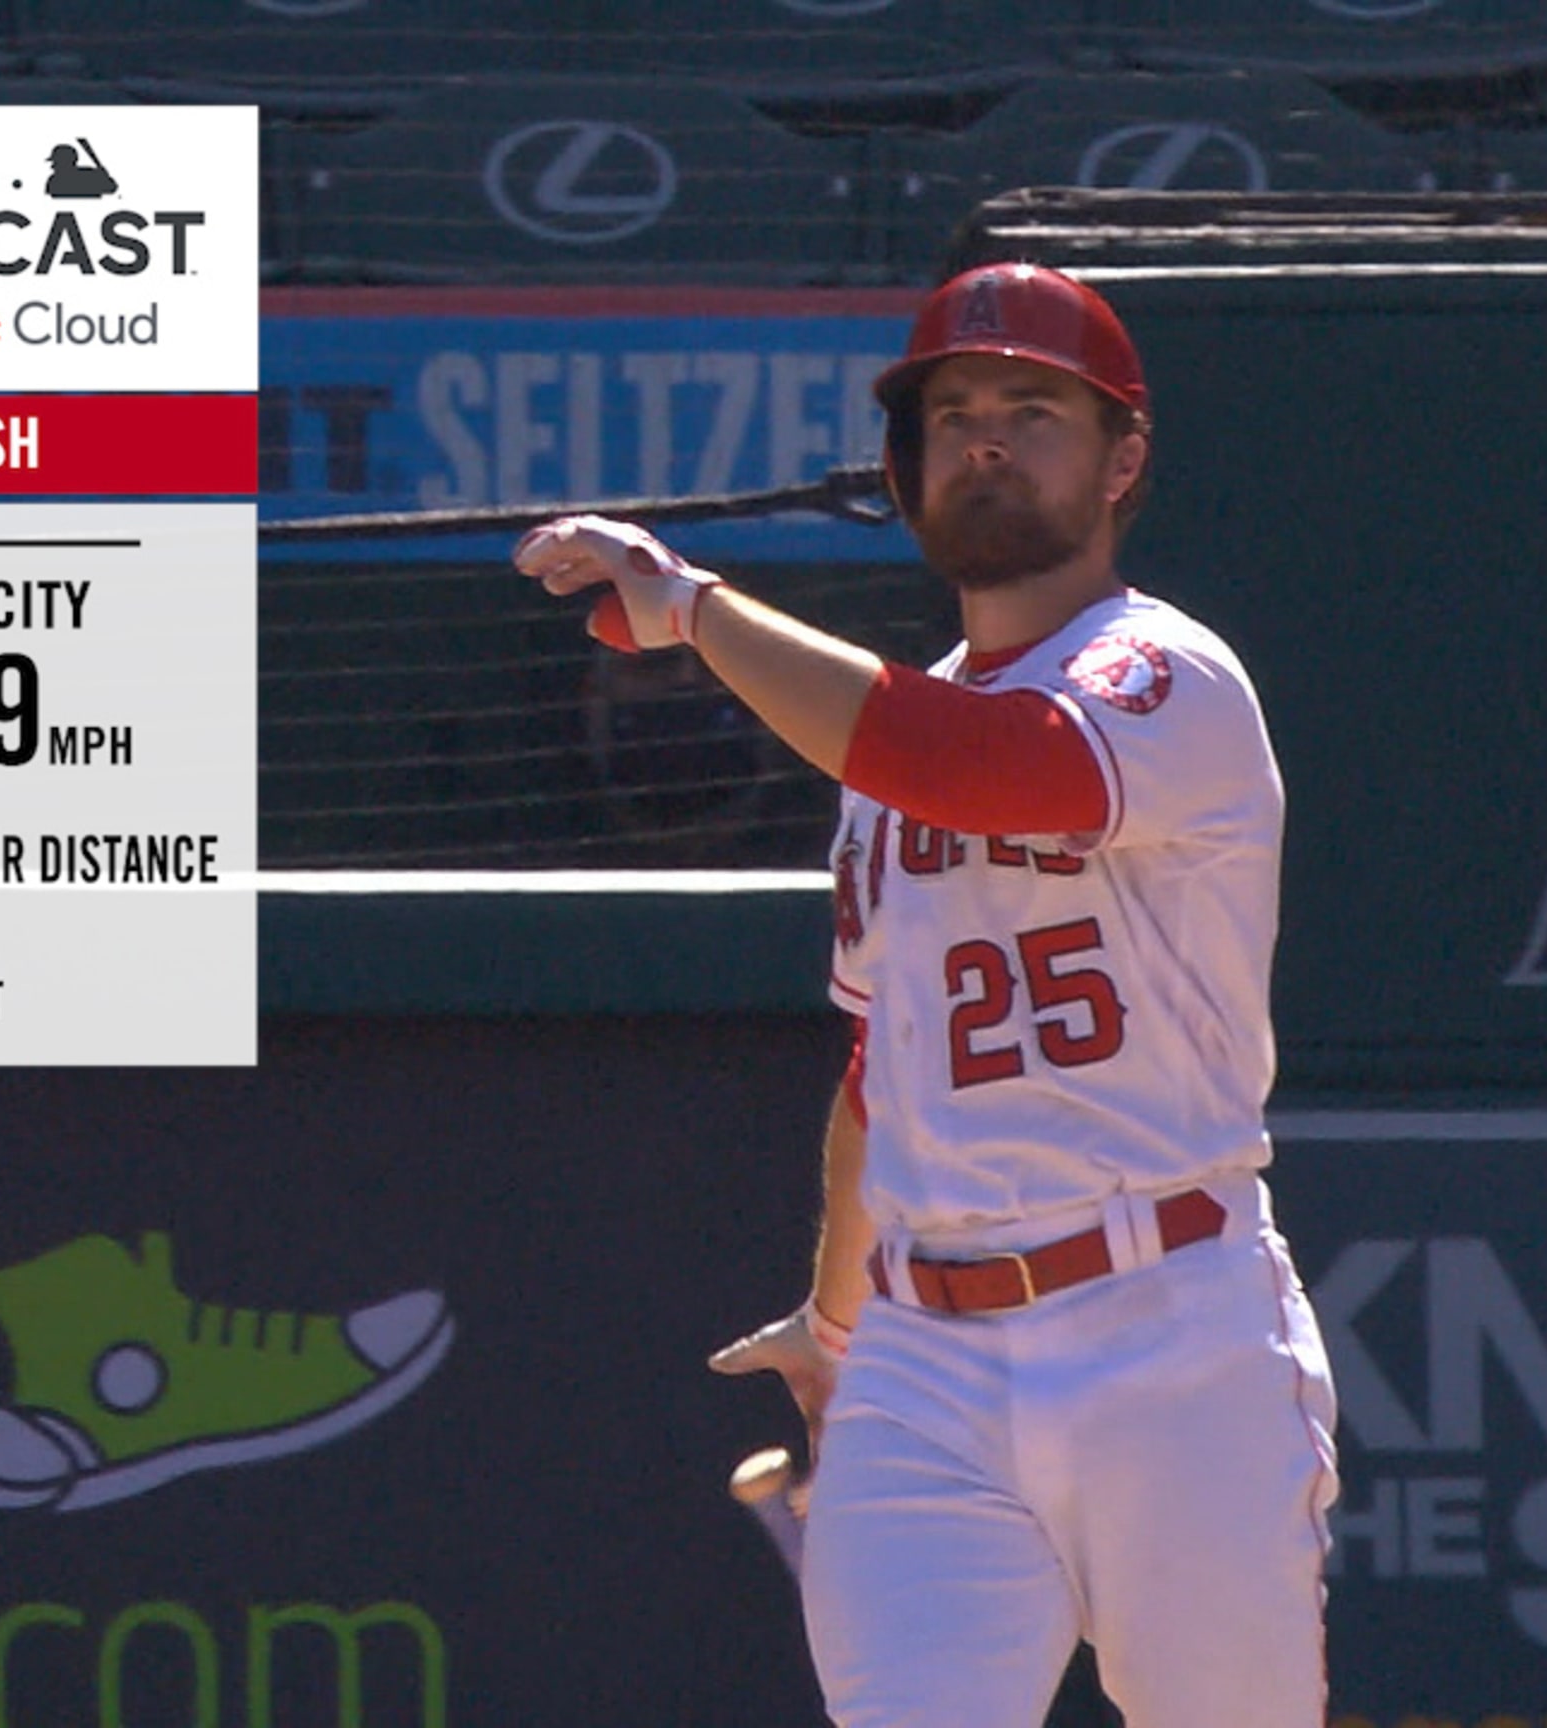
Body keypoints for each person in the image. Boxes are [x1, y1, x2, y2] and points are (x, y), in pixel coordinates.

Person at [514, 260, 1338, 1728]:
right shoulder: (888, 754)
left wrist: (693, 608)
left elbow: (984, 765)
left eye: (1035, 408)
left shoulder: (1166, 674)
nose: (987, 438)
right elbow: (880, 1080)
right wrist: (835, 1332)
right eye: (953, 410)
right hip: (926, 1363)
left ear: (1124, 456)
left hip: (1170, 1319)